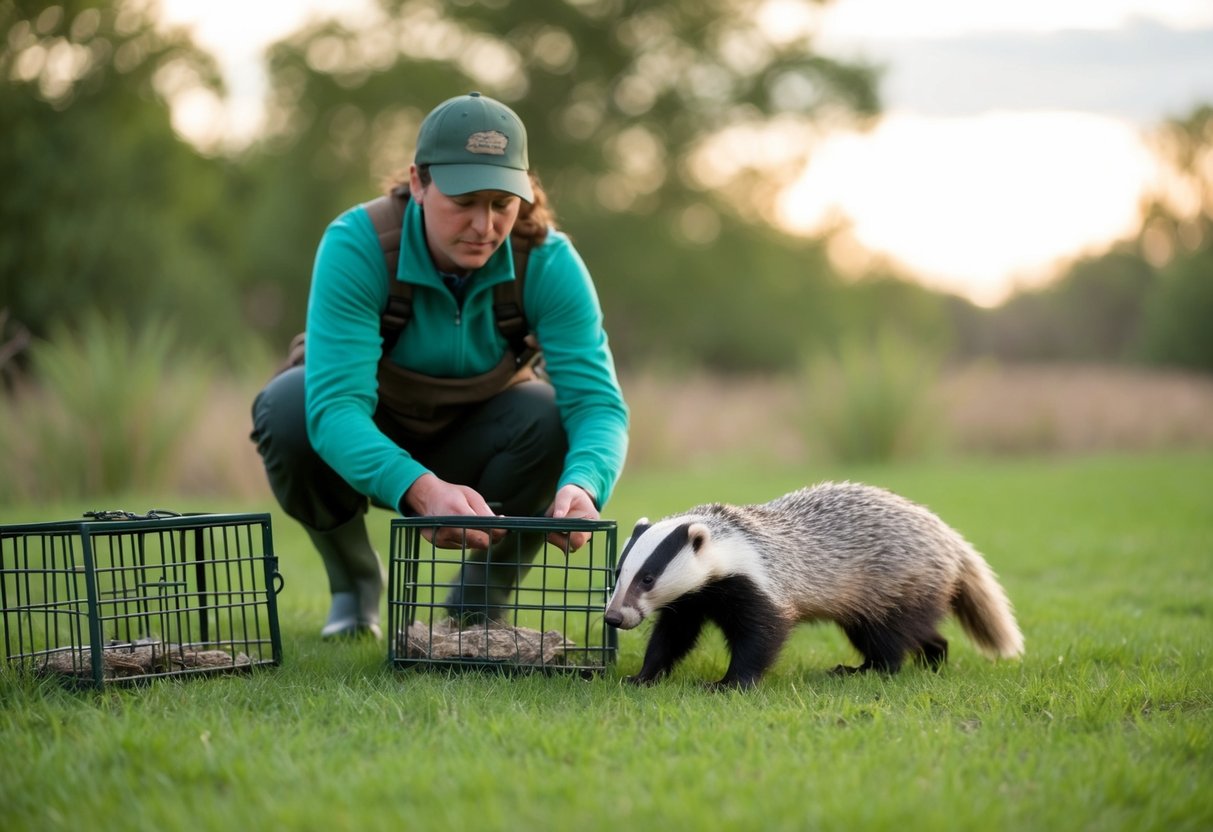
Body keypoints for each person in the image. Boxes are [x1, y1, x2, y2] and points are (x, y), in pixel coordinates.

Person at [250, 92, 629, 639]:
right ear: (420, 183)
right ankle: (355, 584)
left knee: (551, 417)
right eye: (464, 200)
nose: (484, 224)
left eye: (502, 203)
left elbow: (598, 404)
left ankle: (481, 597)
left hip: (481, 437)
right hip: (367, 431)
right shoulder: (357, 244)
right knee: (289, 408)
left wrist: (585, 485)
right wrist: (421, 489)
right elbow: (335, 409)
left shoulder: (548, 261)